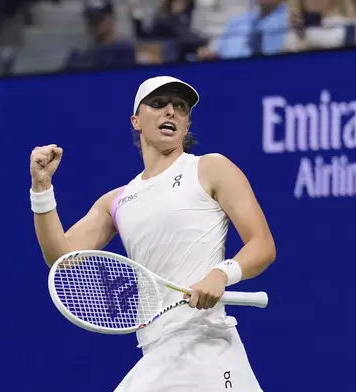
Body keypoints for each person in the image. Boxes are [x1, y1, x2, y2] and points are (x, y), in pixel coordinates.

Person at [29, 76, 276, 391]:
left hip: (208, 350)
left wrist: (221, 273)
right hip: (159, 352)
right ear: (136, 121)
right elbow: (61, 259)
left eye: (180, 108)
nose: (171, 112)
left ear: (186, 127)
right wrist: (42, 189)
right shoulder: (116, 201)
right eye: (159, 104)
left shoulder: (210, 169)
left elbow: (262, 245)